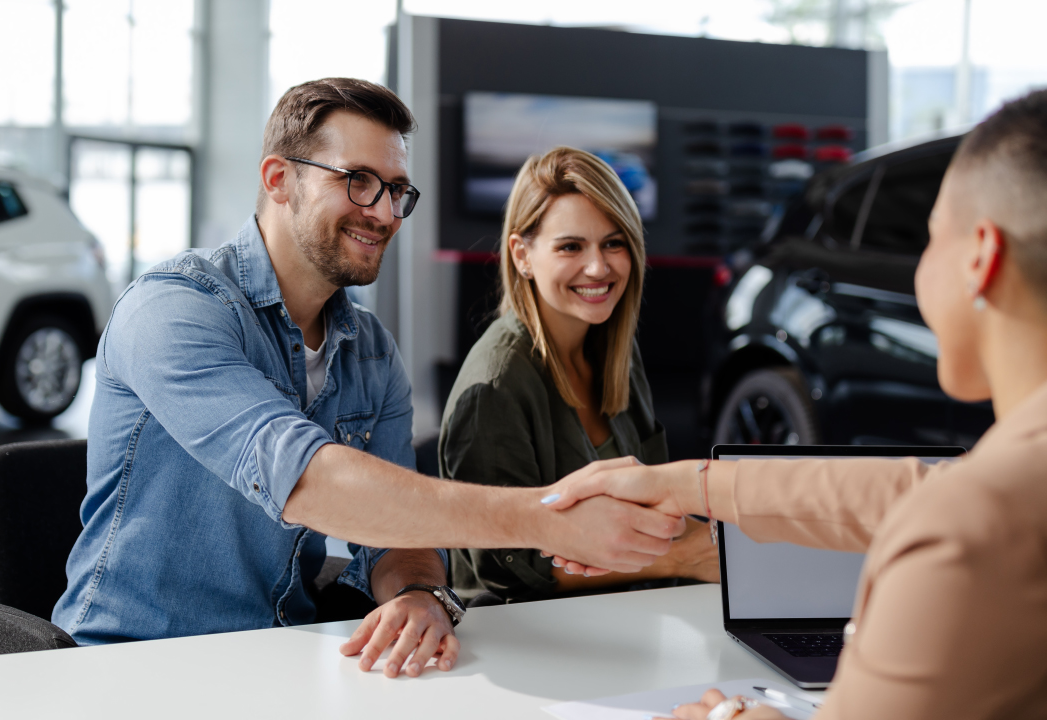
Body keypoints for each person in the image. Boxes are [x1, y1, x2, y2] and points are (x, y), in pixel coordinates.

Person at [544, 84, 1047, 718]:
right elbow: (927, 489)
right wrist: (692, 484)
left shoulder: (979, 537)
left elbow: (960, 510)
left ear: (981, 257)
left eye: (929, 237)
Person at [53, 78, 685, 680]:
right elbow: (308, 481)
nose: (383, 212)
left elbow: (396, 541)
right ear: (280, 179)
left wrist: (418, 593)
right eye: (358, 182)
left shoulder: (371, 351)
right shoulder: (174, 310)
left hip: (277, 657)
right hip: (131, 663)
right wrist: (546, 520)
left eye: (397, 190)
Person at [439, 147, 719, 603]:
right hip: (533, 640)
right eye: (571, 246)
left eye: (614, 242)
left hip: (631, 616)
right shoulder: (494, 387)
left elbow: (655, 503)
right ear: (522, 255)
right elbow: (509, 571)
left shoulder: (615, 353)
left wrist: (735, 544)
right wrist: (683, 558)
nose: (599, 267)